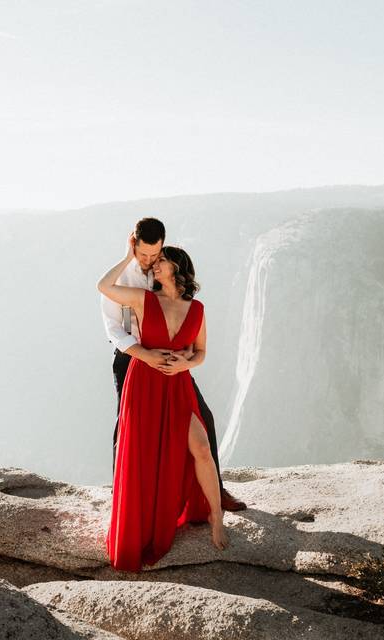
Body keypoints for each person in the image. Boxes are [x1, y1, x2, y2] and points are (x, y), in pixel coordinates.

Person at [97, 233, 229, 571]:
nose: (154, 265)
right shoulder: (142, 299)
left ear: (178, 267)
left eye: (160, 261)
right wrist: (128, 256)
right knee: (139, 450)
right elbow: (104, 286)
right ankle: (132, 513)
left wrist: (186, 363)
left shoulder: (197, 309)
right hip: (143, 380)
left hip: (177, 385)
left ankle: (217, 517)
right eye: (151, 260)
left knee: (200, 445)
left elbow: (201, 353)